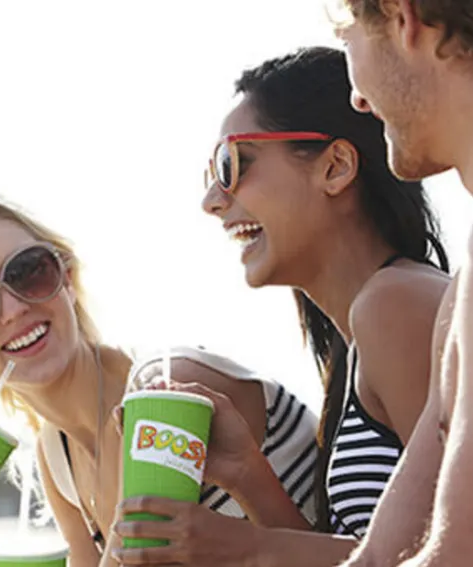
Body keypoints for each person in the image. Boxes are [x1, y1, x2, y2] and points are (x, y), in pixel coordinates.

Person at [110, 46, 451, 567]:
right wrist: (247, 473)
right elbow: (369, 554)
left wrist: (245, 546)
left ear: (335, 167)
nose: (212, 200)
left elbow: (455, 548)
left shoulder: (395, 305)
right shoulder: (356, 341)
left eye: (232, 164)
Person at [0, 199, 318, 566]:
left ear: (66, 278)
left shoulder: (167, 391)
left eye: (28, 271)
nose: (13, 309)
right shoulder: (57, 454)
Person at [331, 1, 473, 565]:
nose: (358, 100)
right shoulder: (461, 291)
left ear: (403, 18)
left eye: (347, 39)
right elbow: (375, 558)